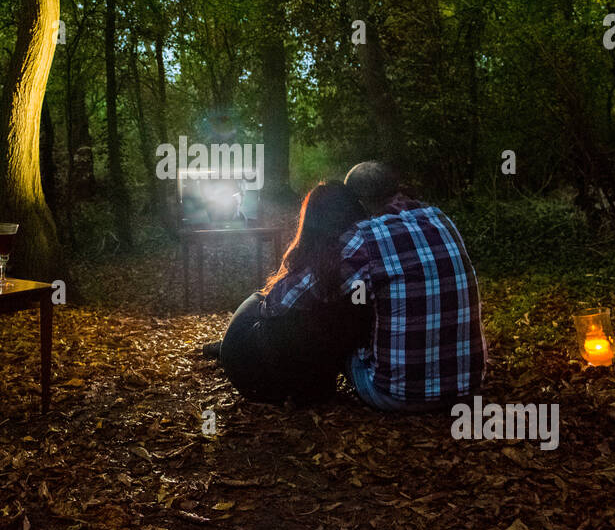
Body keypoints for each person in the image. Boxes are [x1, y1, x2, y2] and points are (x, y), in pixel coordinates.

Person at [270, 161, 486, 411]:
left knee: (334, 318)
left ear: (356, 203)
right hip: (467, 388)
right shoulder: (441, 219)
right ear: (397, 190)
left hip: (396, 395)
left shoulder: (363, 237)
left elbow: (284, 301)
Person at [203, 183, 372, 405]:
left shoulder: (327, 256)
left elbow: (276, 307)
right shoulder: (346, 256)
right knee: (269, 304)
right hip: (250, 356)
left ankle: (222, 346)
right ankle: (222, 346)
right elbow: (276, 307)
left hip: (251, 373)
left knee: (268, 301)